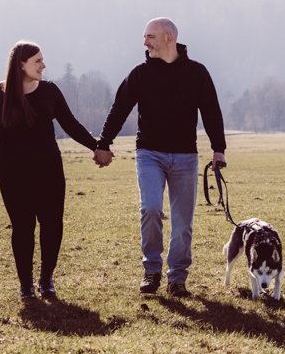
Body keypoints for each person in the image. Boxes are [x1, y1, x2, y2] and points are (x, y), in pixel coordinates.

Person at [93, 17, 225, 298]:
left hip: (186, 157)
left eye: (149, 36)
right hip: (149, 154)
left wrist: (218, 148)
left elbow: (211, 111)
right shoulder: (140, 74)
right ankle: (151, 271)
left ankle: (177, 278)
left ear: (168, 37)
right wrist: (103, 143)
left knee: (182, 222)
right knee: (151, 209)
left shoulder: (197, 73)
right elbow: (119, 109)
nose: (145, 42)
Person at [0, 41, 100, 302]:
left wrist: (97, 147)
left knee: (52, 224)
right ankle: (26, 284)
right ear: (21, 65)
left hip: (48, 166)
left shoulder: (50, 91)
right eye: (38, 61)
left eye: (42, 60)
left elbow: (70, 124)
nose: (43, 65)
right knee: (23, 226)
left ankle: (46, 279)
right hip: (12, 169)